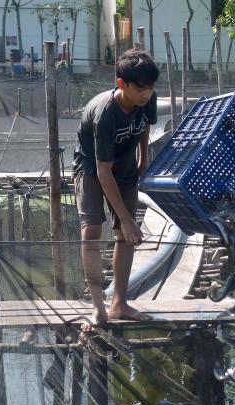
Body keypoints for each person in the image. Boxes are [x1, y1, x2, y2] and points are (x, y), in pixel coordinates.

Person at [73, 48, 159, 325]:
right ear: (121, 84)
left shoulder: (149, 98)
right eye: (140, 88)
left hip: (124, 166)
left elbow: (145, 124)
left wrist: (143, 158)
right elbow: (102, 171)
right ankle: (98, 306)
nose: (146, 94)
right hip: (91, 166)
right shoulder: (106, 113)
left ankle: (119, 303)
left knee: (125, 235)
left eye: (150, 87)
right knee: (92, 230)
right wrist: (126, 218)